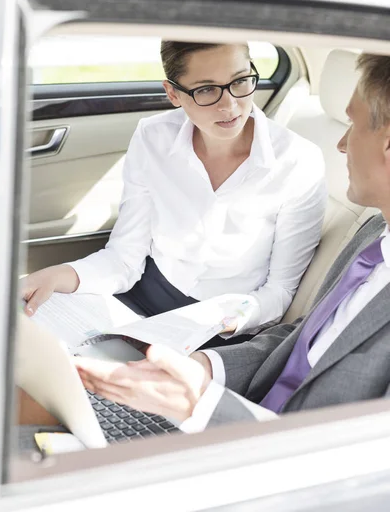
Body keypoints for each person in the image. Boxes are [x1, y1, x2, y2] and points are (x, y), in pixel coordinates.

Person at [73, 52, 390, 431]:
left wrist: (200, 405)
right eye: (207, 89)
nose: (340, 144)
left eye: (351, 125)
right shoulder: (375, 237)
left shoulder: (299, 164)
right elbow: (302, 339)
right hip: (230, 397)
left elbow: (365, 462)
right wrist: (203, 368)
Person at [22, 42, 325, 339]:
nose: (229, 104)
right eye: (206, 89)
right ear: (173, 93)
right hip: (140, 296)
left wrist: (224, 319)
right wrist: (58, 275)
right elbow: (124, 258)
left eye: (240, 81)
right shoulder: (153, 137)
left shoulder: (299, 161)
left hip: (220, 329)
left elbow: (280, 291)